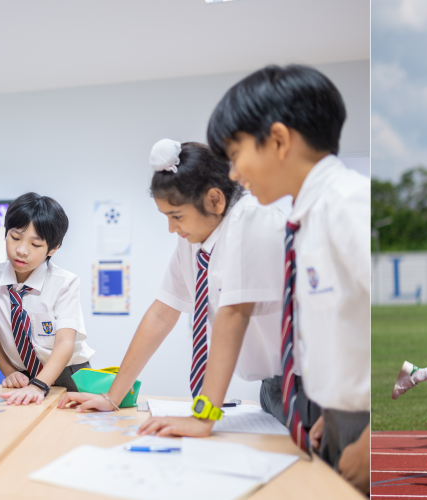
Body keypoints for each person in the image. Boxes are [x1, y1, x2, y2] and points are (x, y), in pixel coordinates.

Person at [58, 140, 294, 439]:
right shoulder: (195, 239)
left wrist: (203, 419)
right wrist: (112, 397)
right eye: (166, 217)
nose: (172, 229)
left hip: (306, 383)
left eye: (177, 216)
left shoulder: (252, 221)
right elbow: (161, 313)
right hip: (273, 387)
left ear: (215, 201)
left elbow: (232, 318)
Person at [205, 64, 369, 491]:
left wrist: (371, 441)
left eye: (236, 154)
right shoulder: (304, 218)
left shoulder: (347, 204)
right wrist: (328, 418)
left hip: (365, 428)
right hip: (331, 417)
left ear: (277, 139)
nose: (234, 172)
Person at [0, 193, 89, 406]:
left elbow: (65, 342)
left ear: (53, 248)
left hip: (67, 372)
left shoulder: (65, 283)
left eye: (35, 244)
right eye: (15, 238)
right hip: (22, 374)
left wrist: (40, 385)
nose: (21, 251)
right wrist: (9, 371)